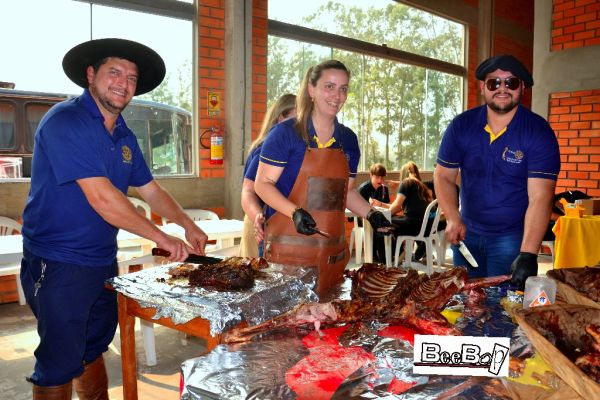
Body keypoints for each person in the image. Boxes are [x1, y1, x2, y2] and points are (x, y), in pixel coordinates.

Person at [19, 38, 208, 399]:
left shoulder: (123, 135)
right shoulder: (66, 121)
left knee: (92, 349)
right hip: (57, 262)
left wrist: (186, 223)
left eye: (132, 78)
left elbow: (149, 189)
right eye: (114, 72)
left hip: (101, 261)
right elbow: (104, 198)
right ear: (91, 75)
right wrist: (162, 237)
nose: (123, 83)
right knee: (59, 361)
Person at [254, 59, 391, 293]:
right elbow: (263, 185)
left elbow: (344, 193)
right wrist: (294, 212)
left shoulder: (348, 140)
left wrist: (372, 215)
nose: (337, 96)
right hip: (286, 254)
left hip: (330, 256)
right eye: (329, 86)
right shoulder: (285, 134)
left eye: (343, 88)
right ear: (311, 89)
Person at [434, 54, 560, 288]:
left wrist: (529, 253)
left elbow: (541, 196)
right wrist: (452, 216)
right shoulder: (461, 126)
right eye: (494, 83)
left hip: (511, 239)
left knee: (502, 309)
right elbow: (443, 175)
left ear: (522, 87)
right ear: (483, 87)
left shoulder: (538, 132)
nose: (502, 89)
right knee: (468, 303)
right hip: (466, 235)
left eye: (511, 82)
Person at [240, 93, 296, 257]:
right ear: (280, 119)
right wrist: (258, 216)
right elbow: (248, 191)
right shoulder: (267, 149)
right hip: (261, 224)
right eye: (294, 121)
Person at [356, 163, 391, 263]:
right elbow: (358, 210)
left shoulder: (385, 189)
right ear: (371, 175)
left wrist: (380, 204)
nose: (380, 180)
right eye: (377, 177)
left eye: (382, 177)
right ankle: (378, 258)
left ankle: (387, 257)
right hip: (363, 219)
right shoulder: (363, 189)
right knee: (378, 226)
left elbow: (388, 207)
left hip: (379, 217)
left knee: (389, 225)